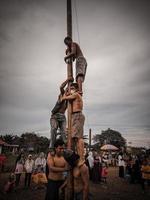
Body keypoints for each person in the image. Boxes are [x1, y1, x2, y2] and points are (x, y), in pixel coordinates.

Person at [61, 82, 85, 165]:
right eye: (70, 89)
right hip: (75, 116)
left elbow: (64, 98)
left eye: (72, 88)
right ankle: (78, 157)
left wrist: (65, 95)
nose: (71, 90)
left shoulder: (76, 94)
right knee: (75, 138)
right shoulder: (76, 95)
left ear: (75, 89)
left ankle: (82, 158)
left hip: (77, 115)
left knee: (79, 138)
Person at [49, 78, 73, 148]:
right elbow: (61, 87)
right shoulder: (62, 94)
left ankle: (66, 145)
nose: (69, 91)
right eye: (68, 90)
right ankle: (51, 147)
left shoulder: (69, 99)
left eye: (71, 90)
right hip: (55, 116)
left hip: (62, 117)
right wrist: (68, 80)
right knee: (54, 129)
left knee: (64, 132)